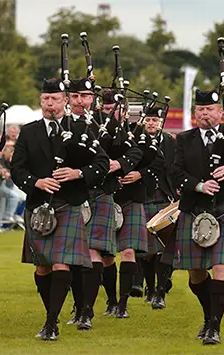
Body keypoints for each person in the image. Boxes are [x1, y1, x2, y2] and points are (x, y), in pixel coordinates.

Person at [12, 78, 107, 341]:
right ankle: (51, 312)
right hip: (38, 205)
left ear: (65, 100)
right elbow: (17, 169)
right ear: (41, 101)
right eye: (45, 99)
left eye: (55, 99)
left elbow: (101, 164)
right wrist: (36, 182)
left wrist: (77, 173)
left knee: (61, 263)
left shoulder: (82, 128)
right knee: (42, 267)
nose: (50, 104)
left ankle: (51, 322)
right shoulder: (29, 131)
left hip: (68, 204)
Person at [171, 88, 224, 345]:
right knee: (196, 274)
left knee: (221, 266)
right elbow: (175, 173)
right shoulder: (184, 139)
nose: (205, 114)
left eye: (210, 109)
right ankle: (209, 316)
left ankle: (215, 327)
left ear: (221, 113)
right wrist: (198, 185)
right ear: (195, 112)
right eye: (200, 110)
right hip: (195, 208)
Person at [62, 79, 122, 330]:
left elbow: (134, 151)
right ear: (68, 98)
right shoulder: (59, 124)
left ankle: (87, 310)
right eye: (75, 96)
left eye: (85, 96)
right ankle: (79, 306)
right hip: (70, 195)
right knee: (74, 257)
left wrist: (121, 164)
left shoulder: (106, 124)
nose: (80, 101)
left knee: (93, 252)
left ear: (92, 99)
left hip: (100, 193)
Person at [101, 91, 151, 318]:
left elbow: (156, 161)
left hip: (131, 197)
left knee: (128, 251)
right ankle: (111, 300)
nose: (110, 113)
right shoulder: (95, 132)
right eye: (105, 109)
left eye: (114, 109)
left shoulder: (138, 132)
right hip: (106, 197)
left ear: (124, 110)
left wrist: (138, 174)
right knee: (106, 255)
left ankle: (123, 304)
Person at [138, 107, 177, 309]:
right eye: (148, 120)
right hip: (144, 196)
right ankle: (150, 288)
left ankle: (160, 292)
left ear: (161, 122)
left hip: (165, 197)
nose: (151, 123)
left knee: (165, 249)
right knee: (146, 251)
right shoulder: (136, 139)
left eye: (155, 119)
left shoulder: (171, 142)